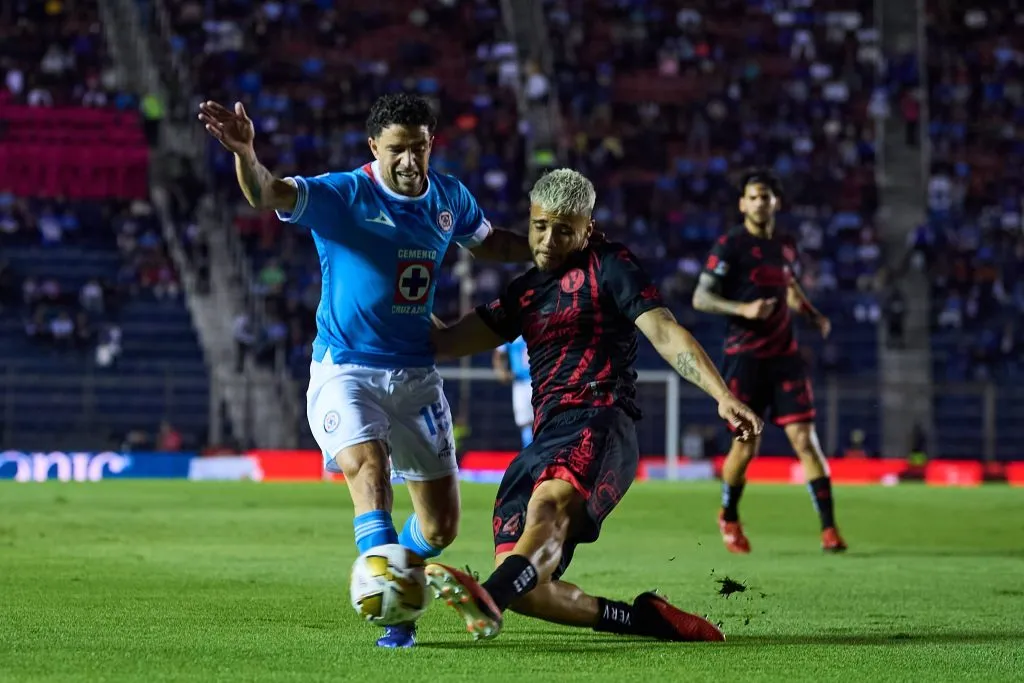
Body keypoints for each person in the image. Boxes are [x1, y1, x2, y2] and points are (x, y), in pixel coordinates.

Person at [198, 93, 532, 648]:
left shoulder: (449, 197)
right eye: (397, 149)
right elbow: (265, 192)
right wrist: (245, 153)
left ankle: (404, 576)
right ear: (374, 147)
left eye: (419, 148)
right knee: (370, 471)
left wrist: (544, 252)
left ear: (431, 145)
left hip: (416, 375)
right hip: (346, 369)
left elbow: (489, 243)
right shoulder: (344, 194)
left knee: (440, 527)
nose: (409, 161)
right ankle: (394, 610)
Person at [424, 169, 763, 642]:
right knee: (528, 585)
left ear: (588, 228)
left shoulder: (610, 264)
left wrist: (722, 395)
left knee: (546, 512)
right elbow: (443, 341)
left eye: (564, 230)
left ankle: (489, 598)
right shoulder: (523, 292)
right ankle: (644, 620)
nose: (548, 240)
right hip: (545, 441)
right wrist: (393, 289)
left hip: (600, 422)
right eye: (540, 226)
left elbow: (665, 331)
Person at [691, 169, 848, 554]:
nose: (761, 202)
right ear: (743, 203)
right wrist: (743, 308)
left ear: (776, 202)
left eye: (766, 196)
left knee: (805, 440)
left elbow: (789, 287)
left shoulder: (786, 245)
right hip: (744, 360)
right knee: (747, 447)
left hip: (785, 358)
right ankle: (728, 516)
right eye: (754, 196)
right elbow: (701, 298)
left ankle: (829, 531)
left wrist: (810, 314)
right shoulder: (730, 245)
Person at [492, 335, 534, 447]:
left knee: (542, 420)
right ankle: (530, 453)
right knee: (525, 423)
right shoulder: (513, 332)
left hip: (540, 380)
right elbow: (499, 354)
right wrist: (501, 371)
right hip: (520, 383)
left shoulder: (539, 326)